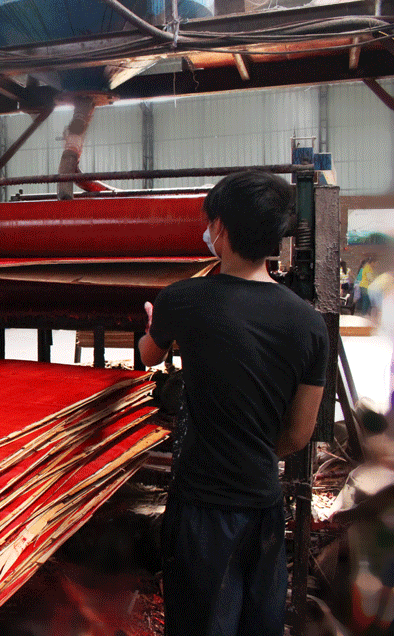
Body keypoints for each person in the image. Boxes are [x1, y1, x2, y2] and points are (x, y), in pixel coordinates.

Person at [137, 171, 329, 636]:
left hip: (201, 509)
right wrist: (249, 452)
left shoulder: (183, 299)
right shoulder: (309, 324)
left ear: (219, 228)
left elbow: (148, 357)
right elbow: (299, 433)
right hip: (264, 506)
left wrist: (153, 324)